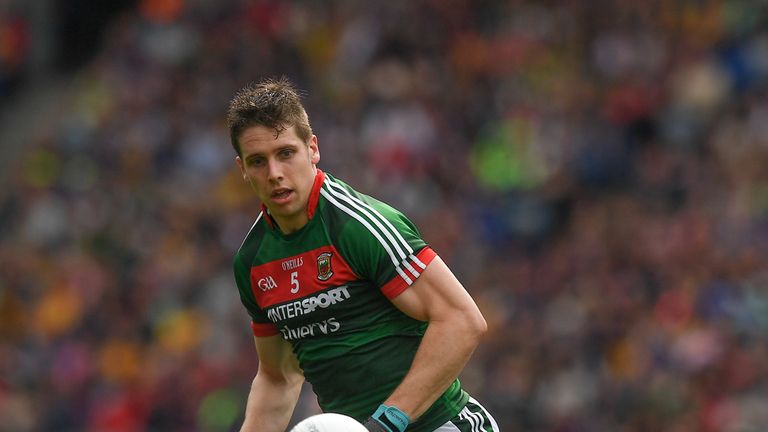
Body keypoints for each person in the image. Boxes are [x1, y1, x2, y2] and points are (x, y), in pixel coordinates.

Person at [226, 77, 499, 432]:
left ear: (312, 149)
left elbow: (462, 321)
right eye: (258, 161)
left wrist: (386, 422)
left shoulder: (359, 226)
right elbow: (279, 378)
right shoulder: (253, 260)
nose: (275, 173)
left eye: (286, 153)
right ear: (243, 170)